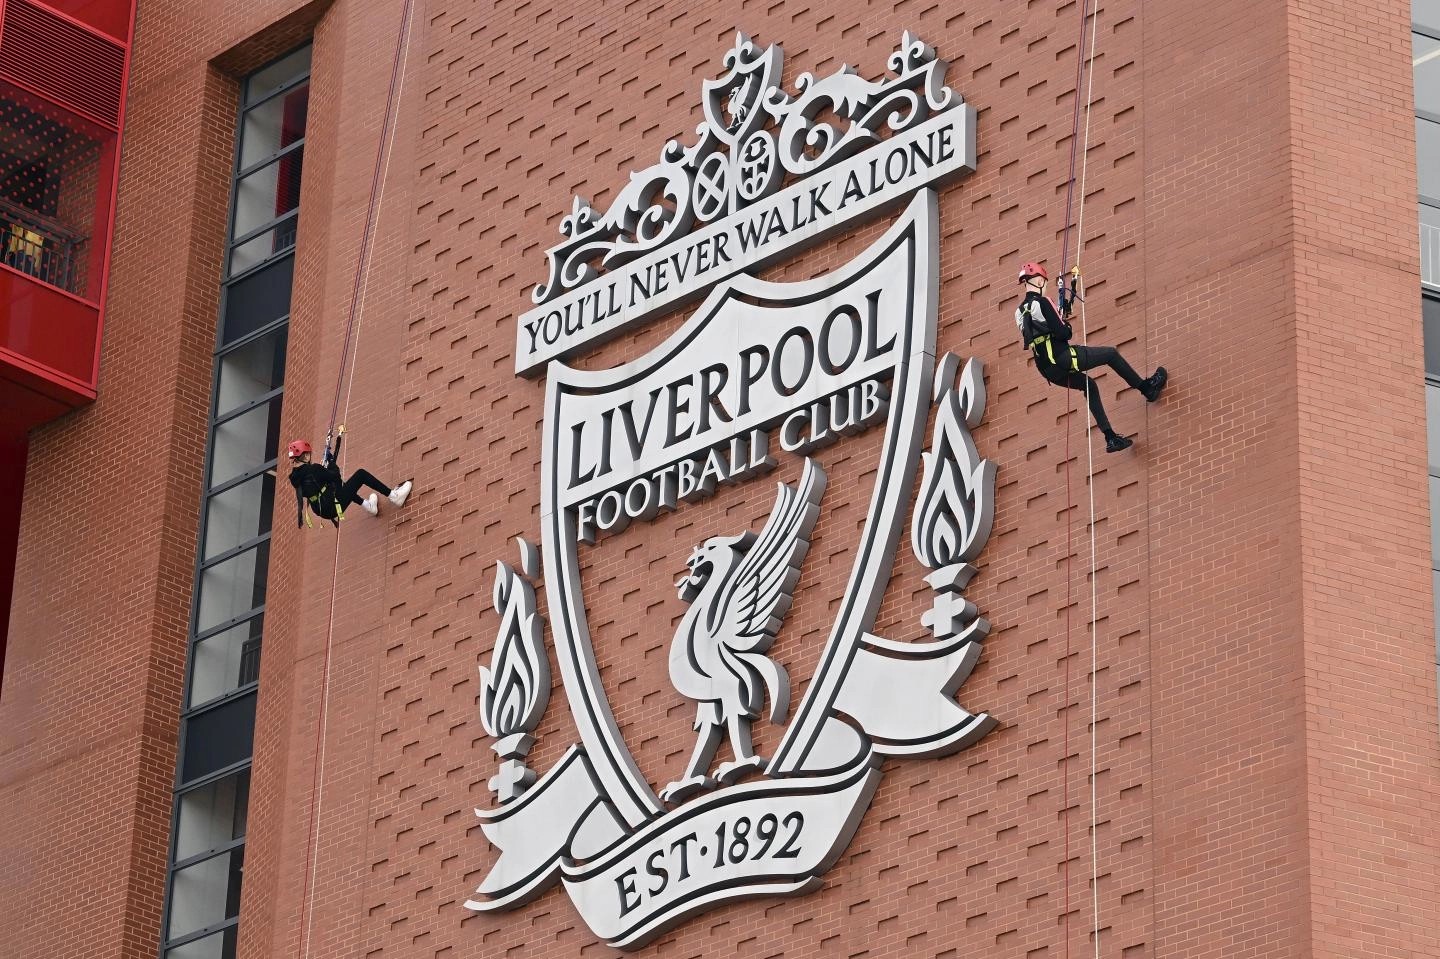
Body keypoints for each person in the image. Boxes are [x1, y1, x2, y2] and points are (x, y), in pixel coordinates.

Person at [1015, 261, 1167, 453]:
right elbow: (1064, 334)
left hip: (1048, 370)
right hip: (1063, 357)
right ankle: (1148, 389)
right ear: (1037, 281)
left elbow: (1037, 334)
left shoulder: (1019, 312)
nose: (1045, 286)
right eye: (1044, 282)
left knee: (1089, 386)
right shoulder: (1043, 302)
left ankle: (1111, 438)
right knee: (1110, 354)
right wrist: (1065, 324)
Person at [287, 425, 412, 528]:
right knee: (360, 475)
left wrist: (325, 469)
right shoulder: (314, 469)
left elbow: (317, 483)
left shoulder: (294, 477)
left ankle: (369, 506)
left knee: (343, 486)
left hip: (322, 509)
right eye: (308, 454)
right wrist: (331, 464)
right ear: (305, 456)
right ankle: (394, 496)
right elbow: (335, 475)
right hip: (331, 505)